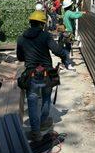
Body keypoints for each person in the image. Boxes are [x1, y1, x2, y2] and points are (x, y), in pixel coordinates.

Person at [16, 10, 73, 141]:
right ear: (42, 24)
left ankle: (35, 132)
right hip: (47, 74)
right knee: (46, 98)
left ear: (30, 23)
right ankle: (42, 123)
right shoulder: (45, 36)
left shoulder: (21, 38)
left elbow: (20, 57)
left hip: (31, 75)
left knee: (32, 102)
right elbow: (57, 50)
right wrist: (65, 56)